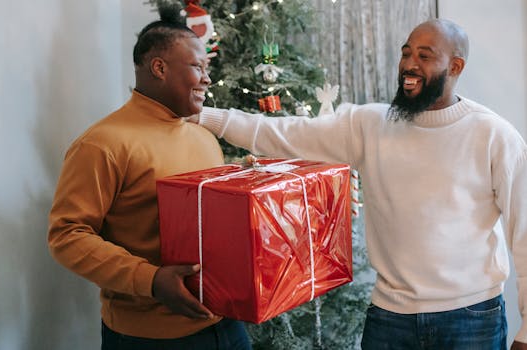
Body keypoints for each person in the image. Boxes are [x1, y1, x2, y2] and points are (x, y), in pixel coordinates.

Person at [192, 19, 527, 349]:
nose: (409, 65)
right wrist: (204, 115)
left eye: (424, 56)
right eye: (406, 53)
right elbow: (282, 133)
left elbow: (524, 233)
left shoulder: (493, 135)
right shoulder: (369, 124)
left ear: (455, 67)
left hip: (472, 318)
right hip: (390, 318)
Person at [47, 14, 252, 350]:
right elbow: (67, 236)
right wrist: (152, 280)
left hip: (227, 327)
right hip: (147, 338)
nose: (208, 79)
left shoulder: (204, 138)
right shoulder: (102, 144)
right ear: (159, 68)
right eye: (198, 67)